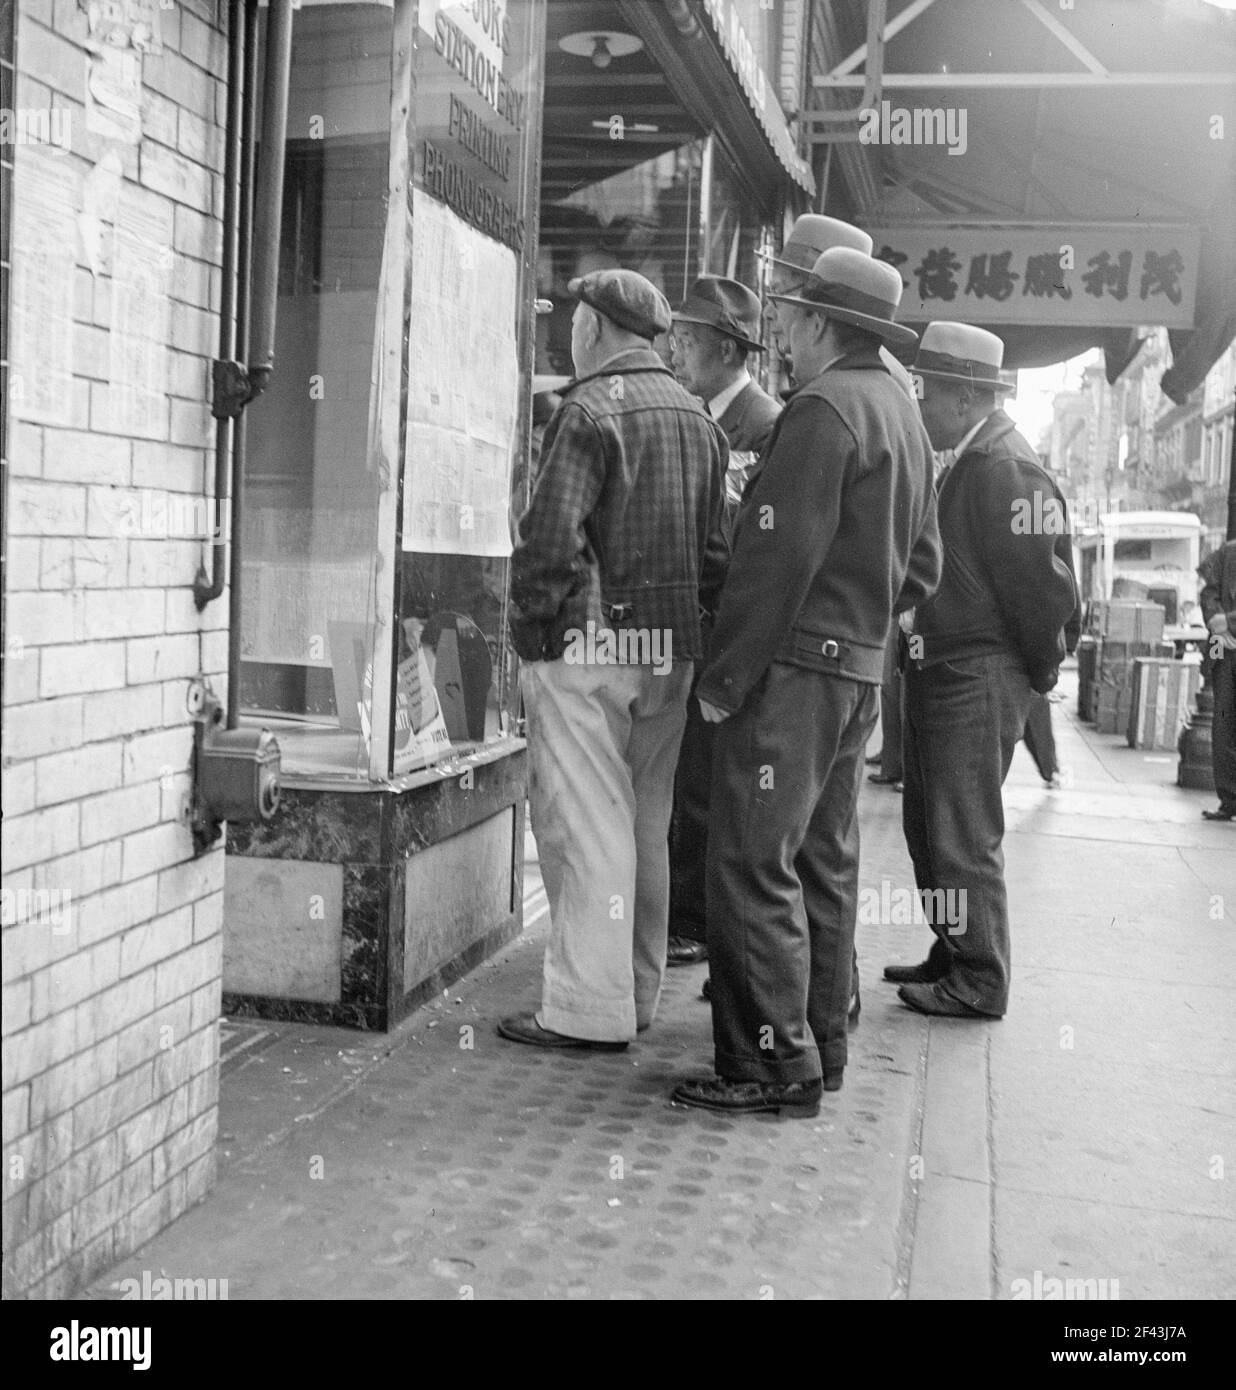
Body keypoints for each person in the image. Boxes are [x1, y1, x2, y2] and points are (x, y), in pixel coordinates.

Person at [671, 248, 942, 1116]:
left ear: (825, 324)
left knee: (752, 863)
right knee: (822, 863)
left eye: (790, 314)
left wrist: (726, 676)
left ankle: (767, 1066)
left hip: (792, 673)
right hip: (857, 672)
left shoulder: (824, 409)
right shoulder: (901, 413)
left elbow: (773, 560)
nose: (780, 331)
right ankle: (818, 1046)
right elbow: (924, 569)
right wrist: (862, 626)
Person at [500, 269, 729, 1050]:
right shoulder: (701, 420)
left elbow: (547, 546)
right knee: (645, 828)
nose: (568, 333)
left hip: (590, 650)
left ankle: (586, 1013)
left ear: (594, 328)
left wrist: (532, 634)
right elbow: (718, 555)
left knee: (588, 831)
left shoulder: (588, 410)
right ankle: (634, 996)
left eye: (572, 320)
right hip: (672, 654)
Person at [889, 322, 1078, 1019]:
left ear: (967, 397)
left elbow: (1045, 586)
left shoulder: (1005, 467)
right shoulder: (974, 457)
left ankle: (979, 976)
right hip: (944, 667)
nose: (919, 404)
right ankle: (952, 947)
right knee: (930, 825)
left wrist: (1036, 670)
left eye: (927, 391)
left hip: (977, 672)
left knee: (962, 830)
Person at [664, 276, 782, 968]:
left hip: (726, 629)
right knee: (687, 781)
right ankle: (687, 915)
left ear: (727, 348)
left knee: (708, 785)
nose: (675, 352)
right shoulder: (696, 414)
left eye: (688, 340)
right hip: (694, 623)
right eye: (673, 338)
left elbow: (746, 539)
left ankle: (699, 922)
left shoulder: (763, 425)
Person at [1198, 538, 1236, 821]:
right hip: (1221, 650)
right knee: (1221, 723)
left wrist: (1229, 621)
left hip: (1225, 641)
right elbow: (1208, 594)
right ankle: (1228, 799)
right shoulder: (1227, 552)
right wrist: (1215, 620)